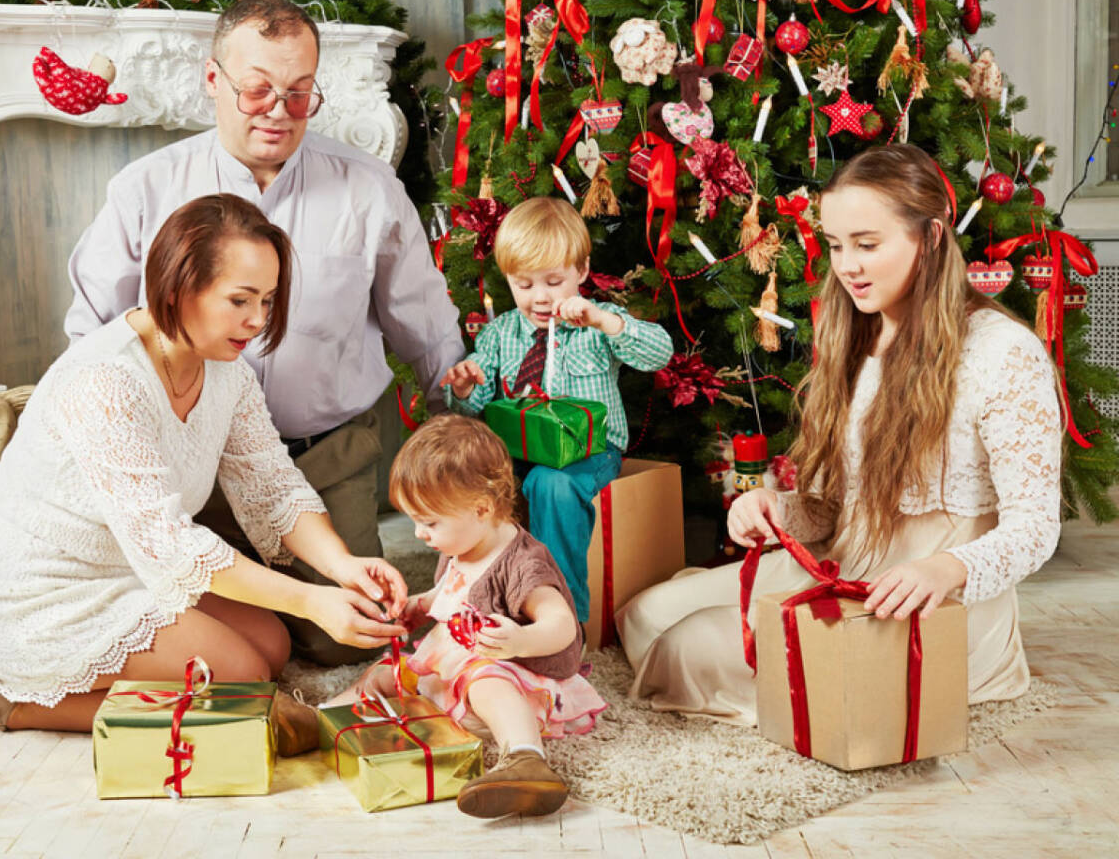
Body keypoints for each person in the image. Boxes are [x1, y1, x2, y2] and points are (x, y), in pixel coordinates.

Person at [0, 194, 408, 739]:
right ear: (177, 289)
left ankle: (40, 688)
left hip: (125, 567)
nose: (258, 321)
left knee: (272, 646)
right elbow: (170, 547)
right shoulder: (105, 380)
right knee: (241, 678)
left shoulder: (224, 369)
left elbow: (274, 488)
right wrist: (313, 600)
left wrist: (341, 567)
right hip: (33, 591)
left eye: (266, 300)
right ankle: (1, 699)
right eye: (240, 300)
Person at [63, 0, 462, 665]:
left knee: (348, 646)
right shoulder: (144, 190)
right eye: (256, 90)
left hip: (325, 458)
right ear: (213, 80)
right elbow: (90, 336)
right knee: (220, 643)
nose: (278, 110)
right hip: (192, 465)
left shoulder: (369, 188)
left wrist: (462, 434)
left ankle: (272, 598)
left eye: (299, 92)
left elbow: (423, 321)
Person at [619, 143, 1063, 720]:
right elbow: (830, 509)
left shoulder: (1002, 352)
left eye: (867, 245)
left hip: (930, 599)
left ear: (929, 238)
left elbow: (1035, 529)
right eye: (835, 245)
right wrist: (776, 509)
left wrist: (946, 568)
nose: (847, 265)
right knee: (644, 615)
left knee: (687, 648)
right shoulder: (855, 337)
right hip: (844, 562)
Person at [331, 415, 606, 818]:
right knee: (385, 673)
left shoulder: (523, 563)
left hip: (515, 672)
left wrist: (519, 641)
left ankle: (525, 758)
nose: (419, 534)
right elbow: (452, 593)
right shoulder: (461, 544)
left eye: (429, 522)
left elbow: (561, 624)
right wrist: (421, 607)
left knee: (486, 682)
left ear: (481, 509)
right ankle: (326, 719)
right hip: (453, 663)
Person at [441, 197, 673, 624]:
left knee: (552, 485)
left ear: (581, 271)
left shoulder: (598, 323)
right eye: (524, 285)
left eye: (554, 281)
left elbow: (659, 353)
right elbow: (478, 407)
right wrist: (465, 388)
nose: (541, 298)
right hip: (515, 453)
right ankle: (474, 604)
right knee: (468, 481)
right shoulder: (499, 333)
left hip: (588, 455)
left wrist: (606, 322)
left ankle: (561, 617)